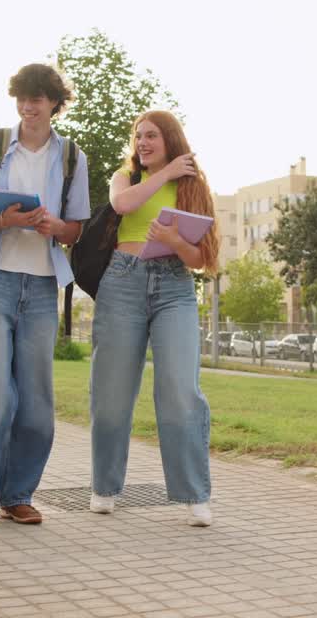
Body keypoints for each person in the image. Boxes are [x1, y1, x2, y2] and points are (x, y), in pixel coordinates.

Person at [0, 64, 90, 529]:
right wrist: (3, 221)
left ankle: (19, 494)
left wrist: (57, 227)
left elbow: (76, 229)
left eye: (37, 99)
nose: (28, 107)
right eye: (21, 98)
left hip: (40, 287)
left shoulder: (72, 157)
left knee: (35, 401)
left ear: (54, 102)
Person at [88, 110, 219, 527]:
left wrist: (173, 240)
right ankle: (104, 486)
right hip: (122, 283)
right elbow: (122, 204)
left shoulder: (192, 185)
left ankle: (193, 494)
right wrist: (164, 175)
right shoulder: (124, 177)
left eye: (152, 136)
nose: (142, 142)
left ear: (171, 140)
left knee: (181, 391)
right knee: (111, 393)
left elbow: (201, 259)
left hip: (175, 289)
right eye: (138, 136)